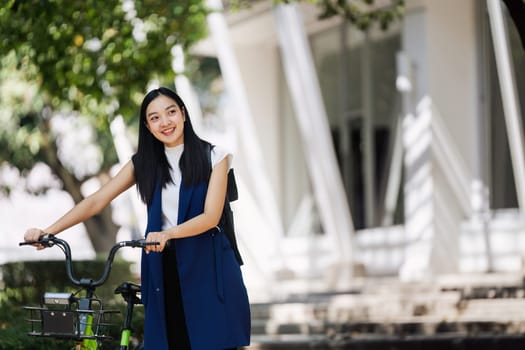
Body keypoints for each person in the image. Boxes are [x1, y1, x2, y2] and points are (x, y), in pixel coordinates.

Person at [24, 87, 251, 350]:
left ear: (184, 114)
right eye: (154, 118)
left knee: (212, 341)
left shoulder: (214, 156)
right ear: (147, 125)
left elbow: (211, 216)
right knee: (170, 340)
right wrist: (48, 231)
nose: (165, 122)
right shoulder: (143, 163)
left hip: (209, 264)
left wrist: (169, 233)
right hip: (163, 264)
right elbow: (97, 200)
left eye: (171, 112)